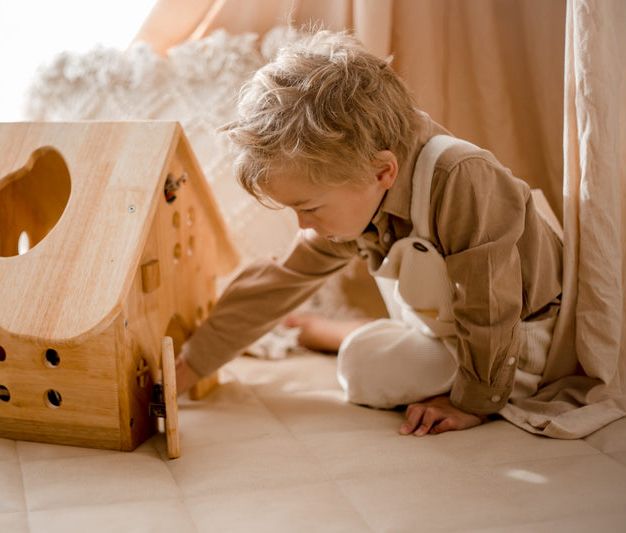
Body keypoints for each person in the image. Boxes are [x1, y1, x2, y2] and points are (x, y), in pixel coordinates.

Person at [174, 29, 563, 436]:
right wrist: (193, 362)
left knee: (363, 369)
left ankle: (331, 333)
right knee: (370, 353)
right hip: (446, 327)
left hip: (517, 338)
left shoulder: (461, 178)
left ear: (383, 171)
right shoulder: (354, 178)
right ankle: (327, 331)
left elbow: (489, 306)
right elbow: (280, 279)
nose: (304, 224)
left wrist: (473, 401)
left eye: (309, 208)